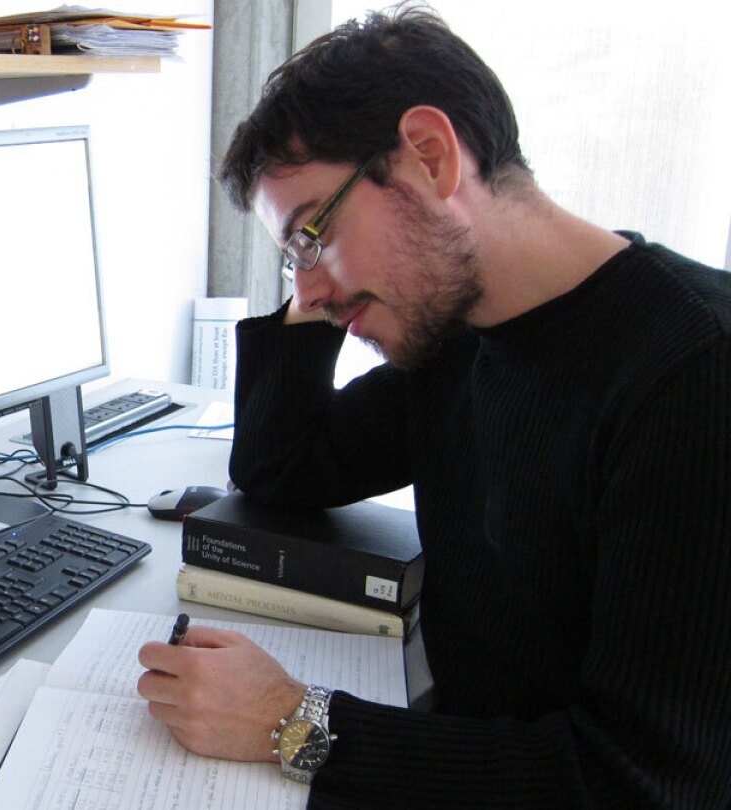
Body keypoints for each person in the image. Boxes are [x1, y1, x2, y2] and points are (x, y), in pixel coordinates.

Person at [137, 6, 731, 807]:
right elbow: (284, 468)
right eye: (290, 259)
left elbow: (639, 784)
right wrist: (319, 274)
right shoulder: (461, 335)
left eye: (314, 232)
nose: (305, 290)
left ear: (428, 154)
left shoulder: (691, 377)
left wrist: (292, 724)